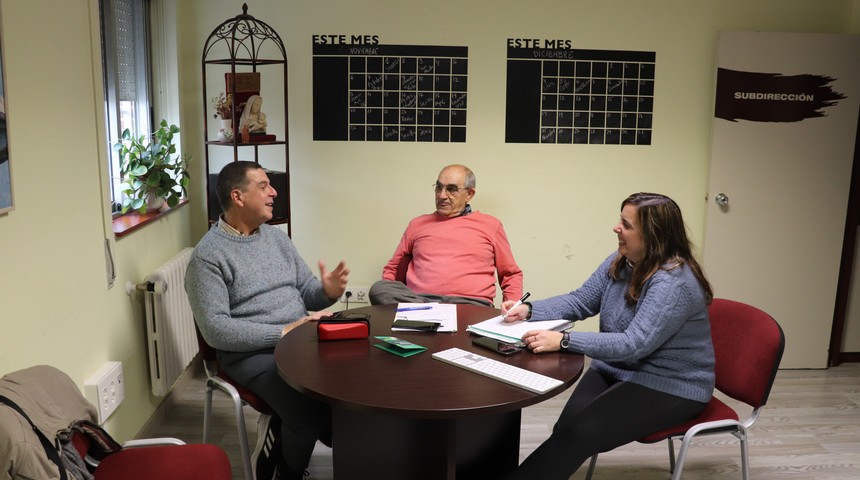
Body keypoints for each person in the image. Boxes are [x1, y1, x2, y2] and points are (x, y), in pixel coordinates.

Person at [500, 192, 715, 480]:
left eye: (626, 225)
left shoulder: (673, 282)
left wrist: (565, 341)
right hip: (618, 367)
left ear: (653, 235)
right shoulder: (622, 260)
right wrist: (528, 310)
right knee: (566, 431)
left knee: (578, 434)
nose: (617, 229)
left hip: (671, 384)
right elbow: (581, 301)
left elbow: (633, 344)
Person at [185, 161, 349, 480]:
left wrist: (327, 291)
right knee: (306, 412)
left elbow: (307, 292)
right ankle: (285, 472)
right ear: (238, 196)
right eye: (263, 186)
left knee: (348, 392)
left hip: (299, 341)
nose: (273, 192)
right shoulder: (207, 258)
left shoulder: (276, 238)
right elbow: (217, 331)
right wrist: (283, 332)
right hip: (249, 356)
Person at [369, 164, 523, 307]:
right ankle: (429, 313)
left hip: (470, 305)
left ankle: (434, 316)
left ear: (469, 194)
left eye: (451, 189)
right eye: (439, 187)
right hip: (421, 302)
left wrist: (512, 305)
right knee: (379, 289)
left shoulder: (491, 225)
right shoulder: (417, 224)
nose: (442, 195)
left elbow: (510, 273)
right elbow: (394, 268)